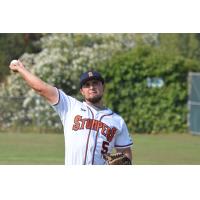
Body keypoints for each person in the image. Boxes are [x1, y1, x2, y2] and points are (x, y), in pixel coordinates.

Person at [9, 60, 133, 165]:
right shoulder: (70, 106)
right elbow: (41, 88)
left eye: (95, 83)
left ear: (103, 87)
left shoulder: (117, 121)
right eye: (87, 85)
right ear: (81, 91)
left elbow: (125, 153)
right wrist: (21, 69)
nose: (91, 87)